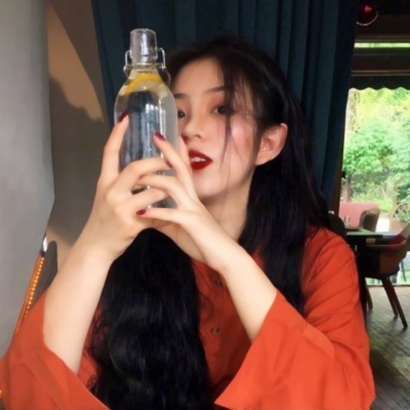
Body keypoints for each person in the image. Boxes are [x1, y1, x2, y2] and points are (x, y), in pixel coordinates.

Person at [0, 35, 375, 409]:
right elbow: (26, 398)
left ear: (269, 143)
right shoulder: (130, 256)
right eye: (177, 113)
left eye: (222, 109)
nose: (191, 128)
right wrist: (94, 248)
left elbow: (340, 401)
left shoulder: (321, 256)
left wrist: (228, 258)